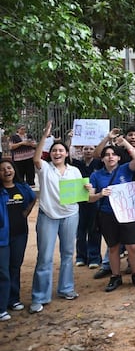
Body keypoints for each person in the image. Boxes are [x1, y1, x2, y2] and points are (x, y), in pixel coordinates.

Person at [29, 121, 82, 313]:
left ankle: (66, 289)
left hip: (70, 215)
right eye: (54, 150)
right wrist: (45, 136)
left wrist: (90, 191)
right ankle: (39, 297)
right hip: (48, 216)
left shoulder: (74, 171)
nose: (57, 153)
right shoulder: (44, 168)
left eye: (61, 150)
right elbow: (36, 158)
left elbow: (81, 195)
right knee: (44, 256)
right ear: (50, 153)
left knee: (68, 254)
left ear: (67, 154)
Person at [87, 138, 135, 293]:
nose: (110, 157)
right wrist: (100, 194)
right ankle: (115, 276)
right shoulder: (96, 176)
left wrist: (124, 142)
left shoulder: (126, 169)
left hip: (126, 213)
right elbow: (90, 198)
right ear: (103, 158)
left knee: (132, 246)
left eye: (114, 154)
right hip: (107, 215)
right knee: (113, 247)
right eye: (107, 154)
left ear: (119, 157)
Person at [1, 161, 37, 319]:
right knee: (3, 271)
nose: (6, 171)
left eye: (9, 168)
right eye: (2, 169)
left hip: (20, 234)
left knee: (15, 267)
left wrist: (26, 212)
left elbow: (33, 198)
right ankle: (2, 306)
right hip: (2, 237)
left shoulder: (22, 188)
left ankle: (13, 299)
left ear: (14, 170)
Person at [71, 145, 103, 269]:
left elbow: (100, 153)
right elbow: (68, 156)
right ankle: (81, 257)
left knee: (94, 229)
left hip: (94, 201)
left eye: (91, 148)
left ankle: (94, 257)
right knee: (80, 230)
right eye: (86, 149)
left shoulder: (98, 163)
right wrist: (71, 140)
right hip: (80, 201)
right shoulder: (77, 164)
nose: (88, 151)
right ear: (81, 150)